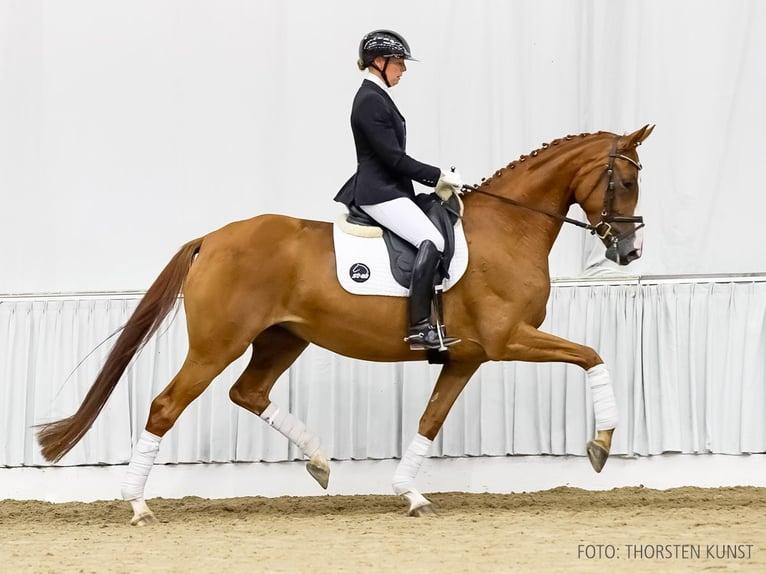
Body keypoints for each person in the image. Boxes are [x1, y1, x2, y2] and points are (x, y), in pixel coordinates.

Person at [334, 29, 463, 351]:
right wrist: (438, 175)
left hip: (393, 188)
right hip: (379, 192)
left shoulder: (377, 96)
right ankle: (419, 327)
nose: (403, 69)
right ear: (379, 61)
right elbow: (392, 158)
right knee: (431, 239)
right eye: (399, 62)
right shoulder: (369, 100)